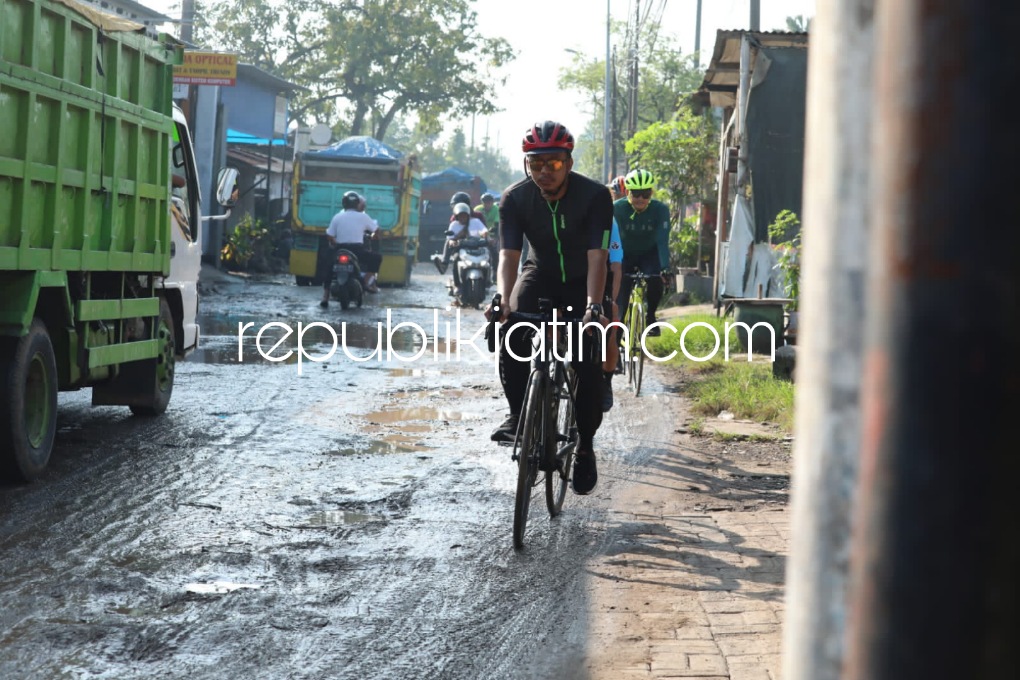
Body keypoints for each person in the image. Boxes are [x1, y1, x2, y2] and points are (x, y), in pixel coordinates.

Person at [486, 120, 613, 496]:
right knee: (511, 332)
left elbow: (598, 256)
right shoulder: (514, 197)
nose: (544, 172)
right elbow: (508, 256)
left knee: (586, 361)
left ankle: (586, 445)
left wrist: (593, 306)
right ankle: (516, 415)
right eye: (536, 163)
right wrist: (503, 301)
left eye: (553, 164)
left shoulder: (595, 196)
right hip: (538, 272)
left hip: (582, 281)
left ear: (569, 163)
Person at [613, 168, 671, 336]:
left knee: (655, 278)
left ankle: (651, 316)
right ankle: (615, 350)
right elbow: (611, 240)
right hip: (624, 255)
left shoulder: (660, 210)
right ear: (628, 192)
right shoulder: (617, 208)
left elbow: (662, 240)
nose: (640, 199)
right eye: (636, 194)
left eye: (645, 194)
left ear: (651, 193)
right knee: (621, 303)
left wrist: (665, 267)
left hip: (649, 254)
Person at [320, 190, 383, 307]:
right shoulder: (363, 217)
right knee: (377, 257)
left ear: (344, 203)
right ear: (357, 204)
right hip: (357, 250)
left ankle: (325, 296)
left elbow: (329, 235)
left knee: (328, 266)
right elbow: (376, 231)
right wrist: (374, 236)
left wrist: (334, 242)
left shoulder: (337, 217)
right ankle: (366, 283)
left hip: (339, 249)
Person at [431, 203, 488, 295]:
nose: (463, 218)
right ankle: (458, 285)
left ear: (468, 215)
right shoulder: (454, 225)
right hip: (461, 249)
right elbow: (450, 239)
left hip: (477, 248)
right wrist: (453, 241)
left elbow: (484, 230)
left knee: (487, 260)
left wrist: (484, 234)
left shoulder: (476, 221)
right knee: (456, 259)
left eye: (464, 216)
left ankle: (488, 281)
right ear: (457, 217)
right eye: (460, 216)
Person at [601, 214, 624, 412]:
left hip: (600, 273)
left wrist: (612, 300)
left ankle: (606, 379)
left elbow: (615, 265)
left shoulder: (607, 221)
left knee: (610, 327)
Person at [474, 192, 500, 283]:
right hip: (479, 235)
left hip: (492, 235)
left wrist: (493, 236)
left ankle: (495, 273)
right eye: (485, 202)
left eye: (489, 202)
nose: (487, 204)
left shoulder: (496, 209)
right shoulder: (477, 209)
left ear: (492, 202)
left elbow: (497, 224)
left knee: (494, 253)